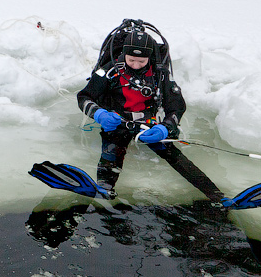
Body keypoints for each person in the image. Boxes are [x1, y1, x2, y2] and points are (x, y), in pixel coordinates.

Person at [77, 21, 223, 201]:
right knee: (112, 155)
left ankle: (215, 194)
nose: (136, 65)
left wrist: (166, 127)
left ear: (150, 57)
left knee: (174, 155)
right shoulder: (110, 71)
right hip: (117, 121)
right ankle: (104, 189)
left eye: (141, 61)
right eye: (131, 60)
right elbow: (83, 97)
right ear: (123, 54)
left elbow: (177, 106)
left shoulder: (160, 73)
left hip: (148, 123)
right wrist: (99, 114)